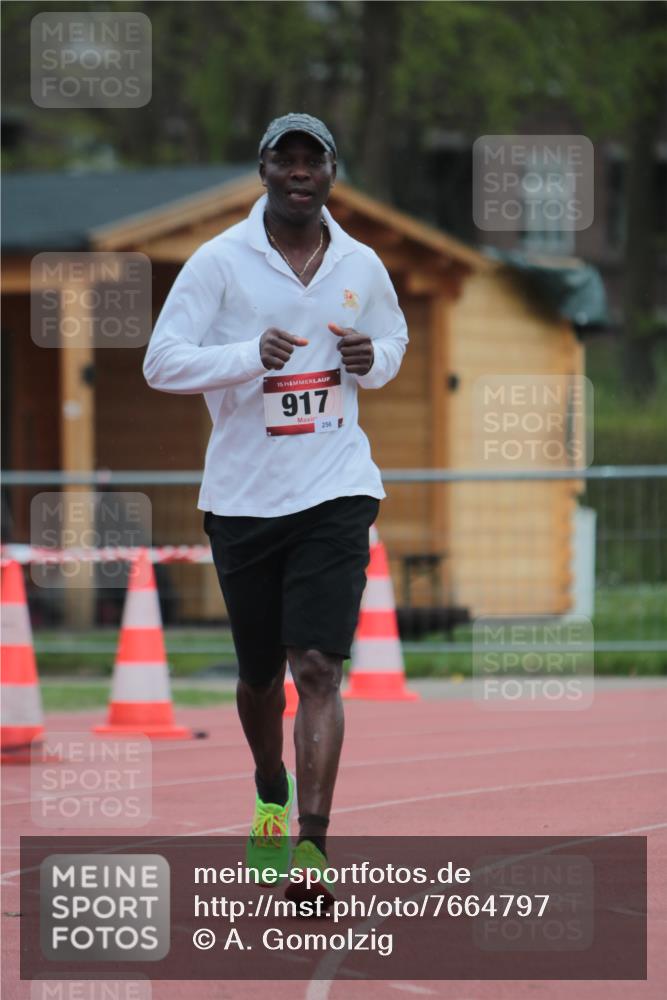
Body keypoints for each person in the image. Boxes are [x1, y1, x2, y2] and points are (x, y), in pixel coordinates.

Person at [143, 112, 408, 905]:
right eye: (284, 159)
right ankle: (269, 788)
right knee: (261, 677)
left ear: (332, 172)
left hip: (335, 486)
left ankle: (312, 850)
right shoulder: (219, 262)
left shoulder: (360, 262)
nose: (299, 172)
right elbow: (161, 362)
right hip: (244, 498)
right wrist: (244, 356)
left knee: (318, 667)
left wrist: (373, 359)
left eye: (313, 160)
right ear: (263, 169)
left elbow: (391, 346)